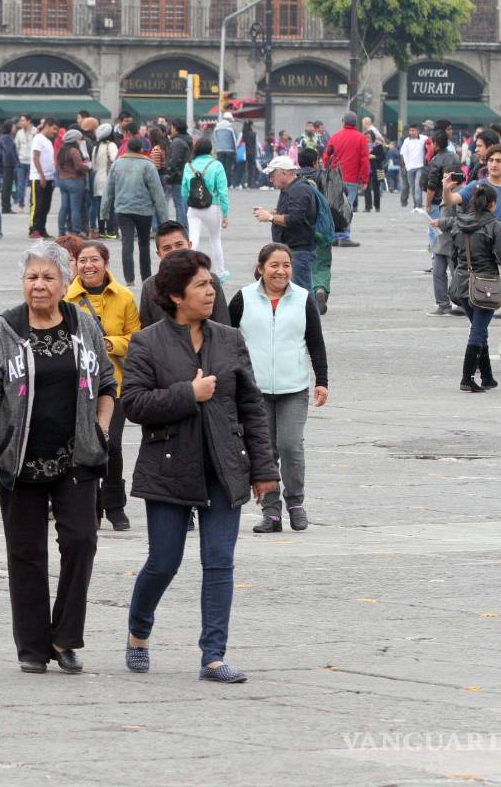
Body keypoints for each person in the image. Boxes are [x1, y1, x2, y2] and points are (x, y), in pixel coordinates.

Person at [121, 249, 278, 682]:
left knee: (219, 561)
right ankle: (138, 631)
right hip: (168, 467)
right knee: (163, 561)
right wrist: (187, 394)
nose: (211, 292)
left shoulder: (229, 339)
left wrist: (264, 470)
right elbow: (133, 403)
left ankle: (213, 654)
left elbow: (252, 408)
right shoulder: (147, 341)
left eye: (211, 284)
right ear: (175, 295)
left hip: (224, 466)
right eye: (200, 286)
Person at [0, 240, 115, 674]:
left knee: (81, 541)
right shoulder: (6, 330)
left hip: (76, 458)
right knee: (26, 553)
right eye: (32, 277)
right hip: (19, 460)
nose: (39, 286)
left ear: (65, 281)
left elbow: (108, 383)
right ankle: (33, 647)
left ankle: (65, 637)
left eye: (48, 277)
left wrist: (100, 429)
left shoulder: (84, 325)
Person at [229, 243, 328, 533]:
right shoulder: (243, 298)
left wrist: (322, 380)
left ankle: (295, 503)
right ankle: (271, 512)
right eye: (274, 265)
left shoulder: (302, 299)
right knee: (264, 450)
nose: (280, 271)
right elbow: (223, 337)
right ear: (261, 268)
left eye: (286, 265)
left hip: (293, 387)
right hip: (253, 390)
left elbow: (315, 342)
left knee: (290, 445)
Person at [64, 240, 138, 531]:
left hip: (113, 384)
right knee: (84, 445)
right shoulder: (67, 299)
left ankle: (115, 505)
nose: (88, 266)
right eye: (82, 260)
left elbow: (137, 338)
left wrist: (110, 343)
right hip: (77, 385)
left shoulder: (125, 297)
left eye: (94, 260)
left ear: (106, 263)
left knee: (113, 444)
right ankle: (90, 505)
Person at [444, 144, 501, 375]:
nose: (493, 164)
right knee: (478, 309)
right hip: (481, 261)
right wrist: (446, 189)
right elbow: (452, 200)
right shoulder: (477, 186)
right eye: (490, 160)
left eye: (498, 160)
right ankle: (478, 356)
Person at [435, 183, 501, 392]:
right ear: (492, 204)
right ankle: (467, 378)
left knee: (479, 328)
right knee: (478, 331)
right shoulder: (494, 226)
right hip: (484, 285)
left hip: (461, 284)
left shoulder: (459, 223)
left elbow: (453, 254)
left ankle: (487, 377)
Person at [103, 137, 167, 286]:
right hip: (144, 211)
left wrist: (104, 212)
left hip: (123, 210)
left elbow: (108, 190)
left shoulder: (117, 164)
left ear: (127, 149)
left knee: (127, 243)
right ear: (141, 149)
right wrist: (164, 219)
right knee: (144, 243)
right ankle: (146, 278)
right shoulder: (148, 166)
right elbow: (158, 192)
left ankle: (129, 279)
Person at [141, 221, 229, 327]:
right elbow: (145, 330)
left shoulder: (210, 281)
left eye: (179, 245)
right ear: (159, 254)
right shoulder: (150, 286)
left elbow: (223, 324)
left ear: (190, 245)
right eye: (167, 248)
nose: (174, 252)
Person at [253, 155, 318, 292]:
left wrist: (270, 217)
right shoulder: (290, 188)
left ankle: (310, 314)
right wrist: (270, 213)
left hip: (300, 250)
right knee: (296, 291)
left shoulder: (299, 190)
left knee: (303, 292)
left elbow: (295, 219)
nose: (270, 179)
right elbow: (288, 212)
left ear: (283, 172)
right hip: (293, 249)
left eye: (272, 175)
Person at [425, 128, 464, 317]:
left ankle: (461, 303)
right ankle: (443, 304)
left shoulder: (461, 193)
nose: (444, 179)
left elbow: (462, 218)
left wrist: (442, 221)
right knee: (438, 271)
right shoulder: (446, 191)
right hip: (442, 240)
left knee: (456, 272)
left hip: (454, 240)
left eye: (447, 176)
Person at [181, 137, 230, 282]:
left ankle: (188, 271)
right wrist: (225, 213)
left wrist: (189, 202)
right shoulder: (216, 165)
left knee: (192, 239)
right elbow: (223, 191)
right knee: (215, 239)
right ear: (210, 150)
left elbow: (184, 190)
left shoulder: (188, 165)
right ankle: (220, 272)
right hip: (212, 207)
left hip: (193, 208)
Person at [295, 147, 334, 314]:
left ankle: (308, 297)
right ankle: (320, 289)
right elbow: (342, 193)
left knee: (304, 265)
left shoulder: (294, 179)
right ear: (314, 161)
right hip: (322, 228)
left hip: (301, 230)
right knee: (322, 263)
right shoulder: (322, 176)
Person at [322, 111, 368, 247]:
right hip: (351, 178)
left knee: (335, 206)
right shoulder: (361, 138)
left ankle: (335, 236)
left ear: (343, 122)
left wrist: (328, 172)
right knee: (347, 207)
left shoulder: (335, 137)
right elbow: (364, 160)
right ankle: (344, 236)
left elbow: (326, 156)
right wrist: (364, 179)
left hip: (334, 177)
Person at [55, 128, 89, 237]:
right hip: (74, 180)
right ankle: (76, 231)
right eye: (79, 139)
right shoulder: (74, 151)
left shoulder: (61, 150)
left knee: (64, 207)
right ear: (74, 140)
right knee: (75, 208)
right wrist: (87, 167)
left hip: (63, 181)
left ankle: (61, 231)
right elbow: (79, 167)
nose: (81, 141)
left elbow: (57, 165)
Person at [29, 118, 59, 239]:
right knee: (37, 205)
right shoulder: (38, 139)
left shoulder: (48, 141)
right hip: (38, 177)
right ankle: (33, 229)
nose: (55, 131)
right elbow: (36, 157)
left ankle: (42, 228)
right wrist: (41, 175)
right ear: (47, 126)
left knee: (46, 206)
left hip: (49, 177)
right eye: (54, 128)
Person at [90, 123, 118, 239]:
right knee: (111, 206)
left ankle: (101, 230)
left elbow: (93, 165)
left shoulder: (95, 147)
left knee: (100, 206)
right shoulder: (111, 145)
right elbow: (115, 161)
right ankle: (111, 230)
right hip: (108, 179)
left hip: (97, 179)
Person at [399, 124, 429, 211]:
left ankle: (419, 205)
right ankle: (416, 205)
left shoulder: (424, 138)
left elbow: (430, 144)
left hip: (420, 167)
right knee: (412, 188)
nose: (411, 132)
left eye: (413, 130)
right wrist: (405, 166)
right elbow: (402, 153)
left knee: (417, 186)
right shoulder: (406, 141)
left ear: (418, 131)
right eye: (410, 130)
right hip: (410, 168)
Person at [211, 112, 238, 187]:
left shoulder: (217, 127)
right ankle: (227, 183)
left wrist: (216, 148)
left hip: (219, 150)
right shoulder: (231, 127)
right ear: (229, 119)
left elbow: (215, 138)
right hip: (230, 150)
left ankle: (220, 183)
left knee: (221, 167)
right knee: (228, 167)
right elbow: (235, 140)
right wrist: (236, 150)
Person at [13, 115, 34, 209]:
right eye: (20, 121)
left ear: (29, 121)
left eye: (23, 120)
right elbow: (16, 146)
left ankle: (32, 203)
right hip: (21, 161)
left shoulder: (35, 131)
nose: (21, 122)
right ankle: (21, 203)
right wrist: (17, 157)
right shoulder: (19, 133)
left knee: (33, 184)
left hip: (32, 162)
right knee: (21, 184)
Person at [364, 130, 386, 212]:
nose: (367, 139)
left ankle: (377, 206)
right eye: (366, 137)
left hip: (377, 169)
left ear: (373, 137)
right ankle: (368, 206)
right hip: (366, 169)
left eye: (369, 137)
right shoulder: (362, 145)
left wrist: (374, 156)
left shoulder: (378, 145)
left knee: (376, 188)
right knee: (366, 188)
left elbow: (383, 157)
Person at [0, 120, 18, 214]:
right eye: (13, 126)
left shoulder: (4, 137)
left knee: (6, 187)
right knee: (7, 187)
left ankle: (6, 206)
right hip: (8, 165)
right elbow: (9, 152)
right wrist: (15, 163)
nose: (15, 128)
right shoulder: (7, 138)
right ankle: (6, 207)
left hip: (5, 165)